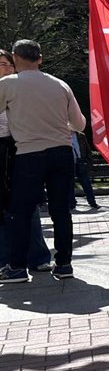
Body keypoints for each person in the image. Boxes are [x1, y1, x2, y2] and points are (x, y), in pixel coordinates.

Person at [0, 40, 86, 282]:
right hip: (62, 151)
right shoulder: (60, 84)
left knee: (22, 211)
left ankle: (17, 266)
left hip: (29, 152)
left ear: (15, 57)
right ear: (40, 58)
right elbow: (79, 124)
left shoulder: (8, 84)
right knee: (61, 210)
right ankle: (64, 264)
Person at [0, 48, 53, 275]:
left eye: (9, 64)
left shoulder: (23, 88)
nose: (6, 68)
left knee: (28, 204)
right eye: (1, 64)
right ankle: (5, 259)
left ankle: (38, 257)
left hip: (22, 148)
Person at [70, 132, 100, 210]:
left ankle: (92, 202)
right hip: (69, 163)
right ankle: (71, 204)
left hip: (81, 162)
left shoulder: (81, 136)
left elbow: (87, 149)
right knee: (69, 184)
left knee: (86, 183)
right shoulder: (62, 135)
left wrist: (88, 161)